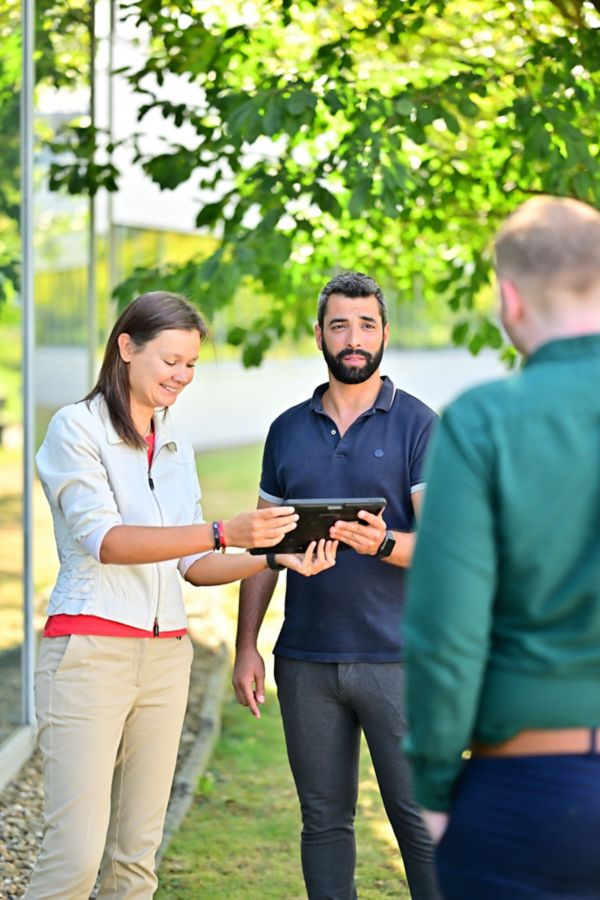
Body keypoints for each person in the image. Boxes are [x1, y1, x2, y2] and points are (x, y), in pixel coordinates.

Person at [27, 291, 337, 900]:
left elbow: (193, 565)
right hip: (89, 654)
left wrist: (274, 556)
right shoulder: (75, 428)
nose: (182, 376)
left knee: (135, 861)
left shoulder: (175, 444)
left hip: (167, 658)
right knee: (75, 858)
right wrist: (225, 530)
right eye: (171, 360)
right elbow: (108, 542)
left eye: (191, 364)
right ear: (126, 349)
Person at [404, 196, 600, 899]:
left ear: (510, 299)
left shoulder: (485, 420)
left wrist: (431, 785)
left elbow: (446, 633)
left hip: (530, 793)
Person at [233, 272, 441, 899]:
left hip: (399, 661)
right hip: (307, 661)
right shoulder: (287, 430)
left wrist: (378, 543)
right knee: (324, 824)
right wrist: (247, 646)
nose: (354, 339)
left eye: (367, 324)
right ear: (319, 334)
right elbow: (262, 546)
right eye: (340, 325)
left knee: (420, 826)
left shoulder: (419, 425)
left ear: (384, 333)